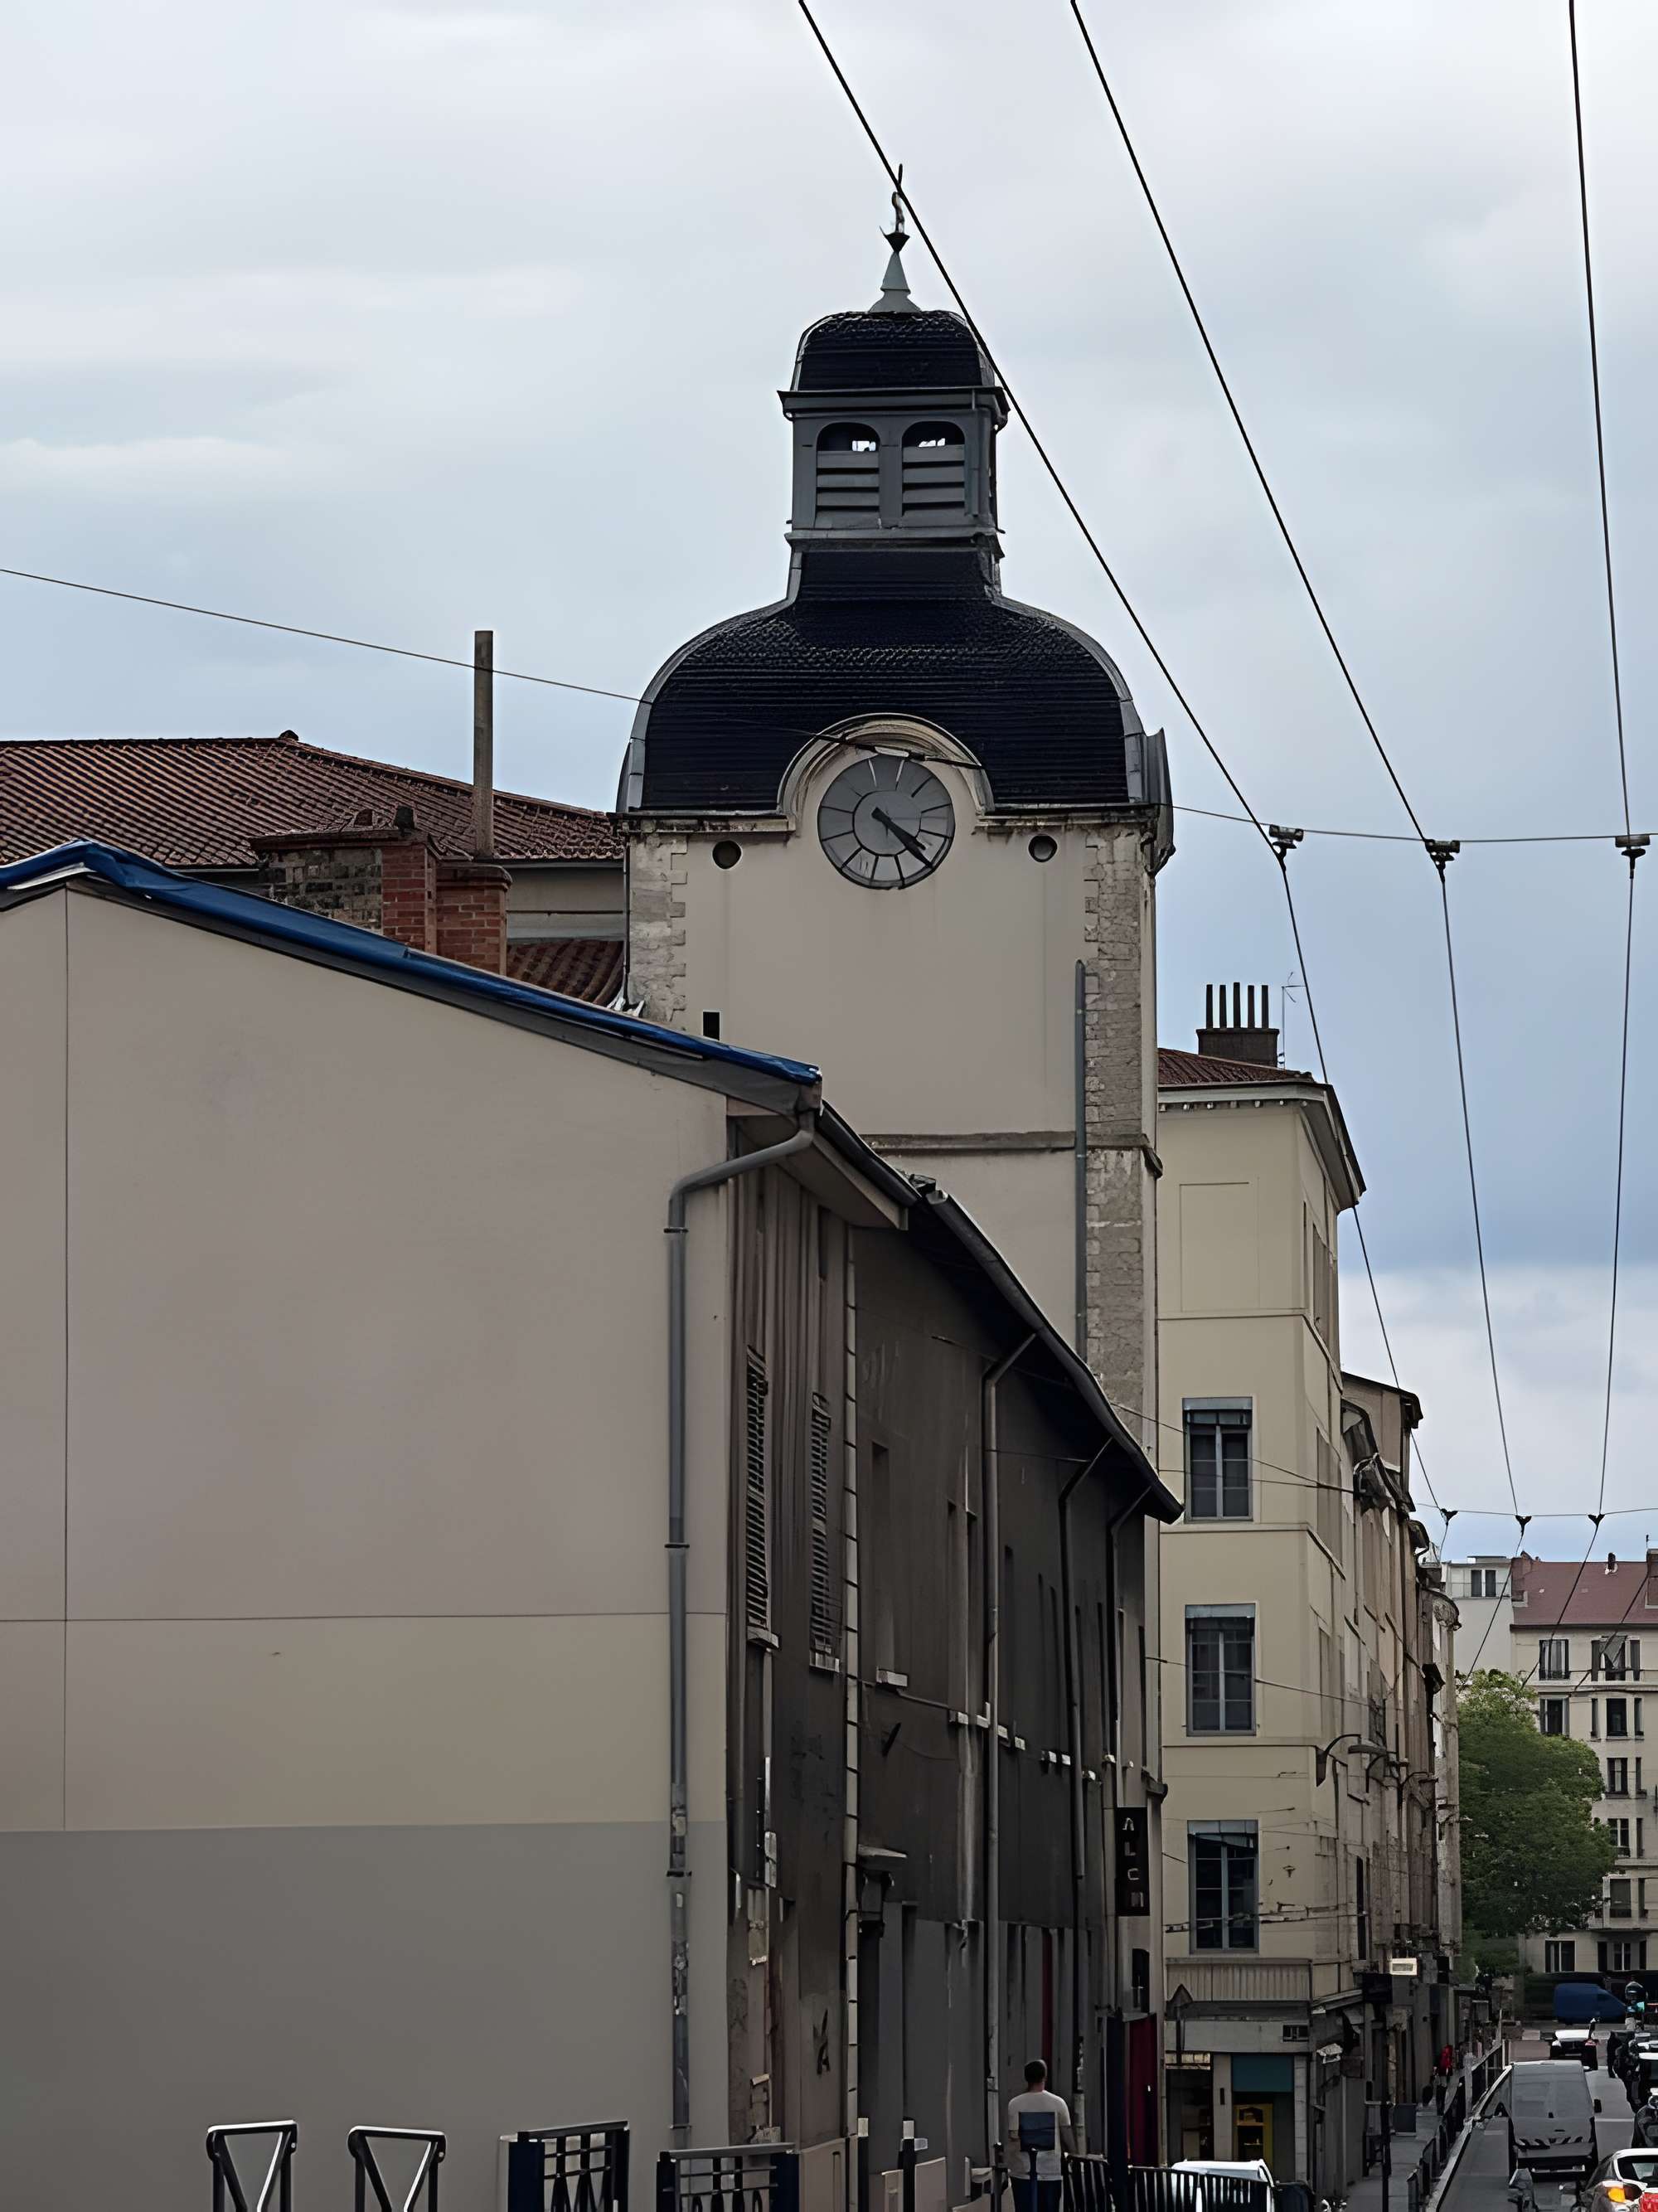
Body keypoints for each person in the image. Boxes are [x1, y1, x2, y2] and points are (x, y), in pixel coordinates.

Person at [1006, 2059, 1075, 2212]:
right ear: (1045, 2076)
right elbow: (1067, 2136)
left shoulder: (1015, 2104)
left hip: (1022, 2171)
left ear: (1026, 2078)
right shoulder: (1058, 2103)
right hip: (1051, 2171)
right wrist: (1074, 2157)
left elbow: (1013, 2136)